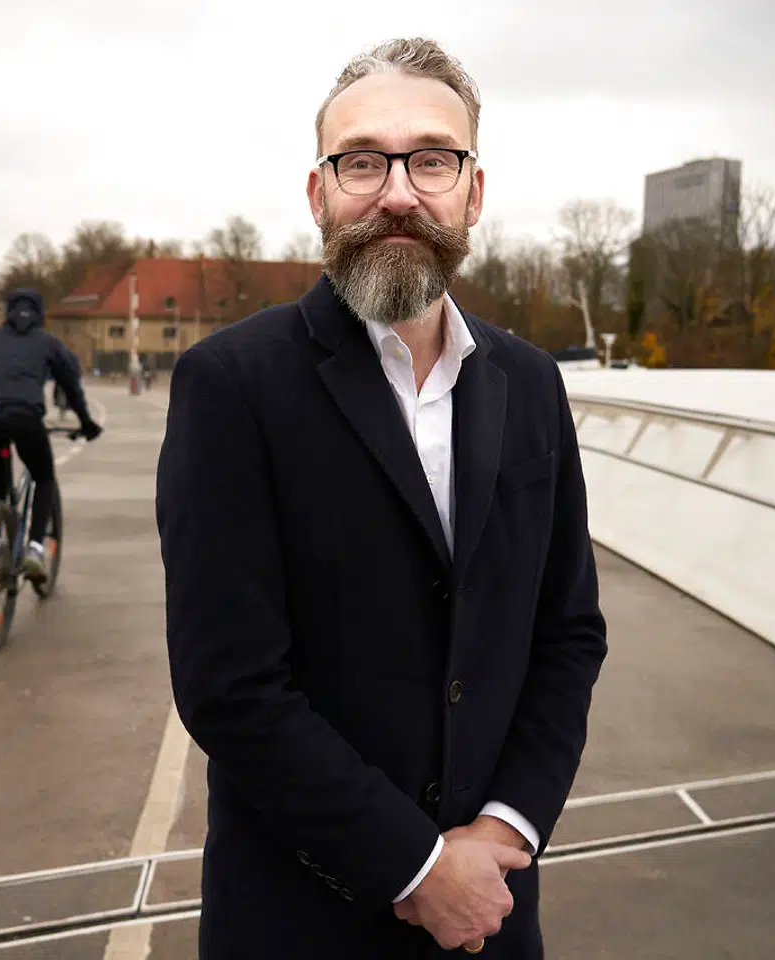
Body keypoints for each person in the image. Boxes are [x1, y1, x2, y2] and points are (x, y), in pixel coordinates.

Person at [155, 38, 607, 958]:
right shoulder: (231, 385)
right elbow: (231, 687)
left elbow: (566, 632)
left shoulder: (530, 382)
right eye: (362, 160)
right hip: (301, 917)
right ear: (319, 194)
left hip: (492, 913)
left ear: (472, 193)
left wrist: (506, 831)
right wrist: (413, 866)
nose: (398, 192)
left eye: (432, 159)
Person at [0, 289, 102, 579]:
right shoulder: (47, 342)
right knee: (43, 476)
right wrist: (86, 422)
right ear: (40, 314)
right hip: (24, 418)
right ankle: (34, 549)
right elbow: (70, 384)